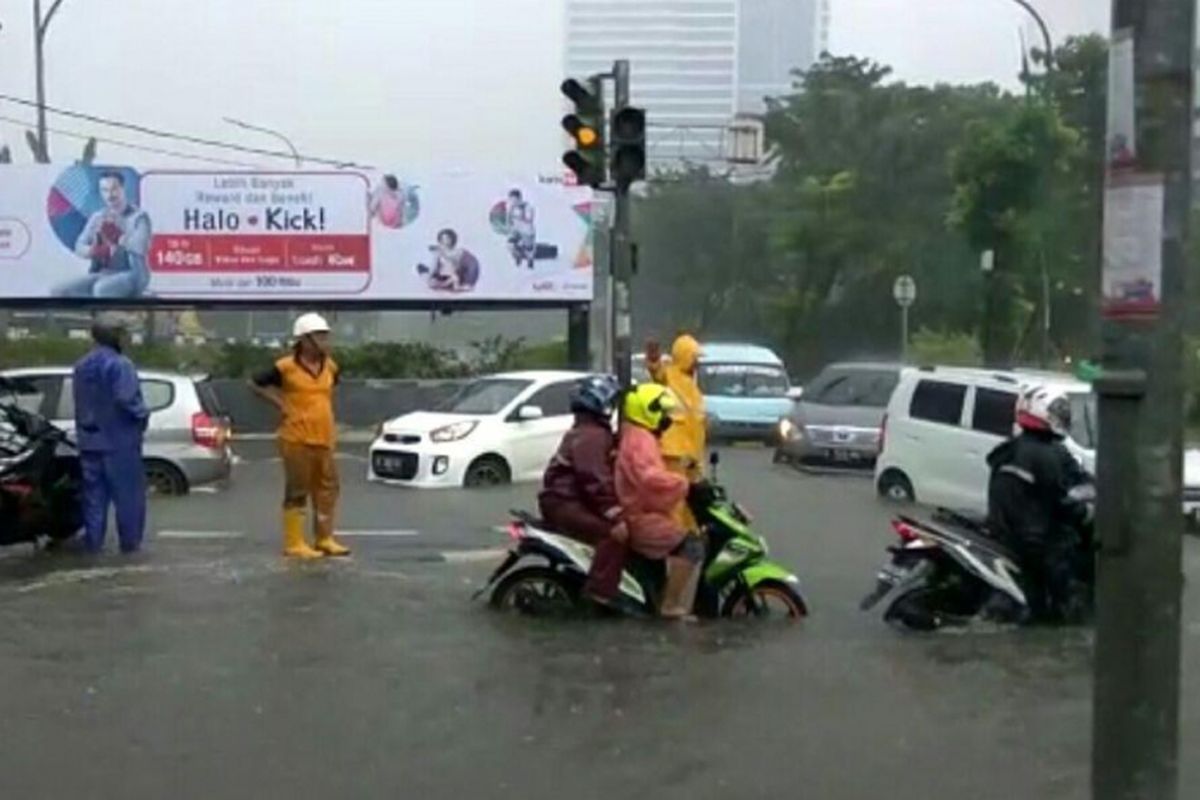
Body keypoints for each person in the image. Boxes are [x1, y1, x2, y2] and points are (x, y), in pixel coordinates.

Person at [986, 385, 1093, 623]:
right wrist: (1083, 512)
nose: (1064, 415)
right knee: (1062, 596)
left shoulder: (1013, 447)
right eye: (1059, 409)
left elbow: (1078, 481)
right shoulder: (1047, 454)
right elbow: (1061, 500)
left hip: (1006, 533)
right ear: (1044, 412)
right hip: (1035, 541)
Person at [250, 313, 351, 560]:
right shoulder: (285, 366)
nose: (325, 341)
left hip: (324, 437)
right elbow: (255, 383)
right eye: (319, 336)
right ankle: (294, 542)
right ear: (304, 340)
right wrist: (280, 403)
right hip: (296, 437)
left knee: (328, 489)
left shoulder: (330, 366)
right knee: (297, 489)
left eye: (326, 336)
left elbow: (329, 391)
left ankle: (324, 538)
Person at [615, 383, 705, 619]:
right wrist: (682, 484)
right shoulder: (640, 441)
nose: (667, 419)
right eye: (663, 413)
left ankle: (660, 600)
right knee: (693, 545)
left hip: (642, 512)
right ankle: (671, 604)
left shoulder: (640, 436)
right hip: (641, 517)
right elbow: (650, 479)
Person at [538, 374, 628, 605]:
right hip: (565, 504)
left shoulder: (589, 431)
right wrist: (614, 512)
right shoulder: (592, 435)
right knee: (615, 535)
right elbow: (594, 479)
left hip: (563, 501)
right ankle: (598, 593)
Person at [72, 315, 149, 554]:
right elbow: (127, 399)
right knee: (128, 500)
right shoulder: (120, 364)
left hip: (89, 442)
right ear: (116, 336)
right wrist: (142, 415)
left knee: (94, 501)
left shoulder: (81, 365)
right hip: (120, 443)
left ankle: (93, 547)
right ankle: (130, 550)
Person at [645, 334, 707, 533]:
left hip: (690, 453)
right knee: (675, 499)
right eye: (694, 357)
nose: (697, 362)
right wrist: (654, 358)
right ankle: (674, 537)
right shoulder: (669, 375)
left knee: (691, 498)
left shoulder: (692, 384)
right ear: (685, 356)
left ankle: (690, 534)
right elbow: (656, 372)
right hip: (673, 451)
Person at [57, 171, 152, 299]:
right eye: (105, 190)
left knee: (101, 290)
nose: (110, 195)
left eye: (114, 189)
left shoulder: (139, 217)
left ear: (123, 189)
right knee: (59, 291)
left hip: (132, 274)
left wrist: (118, 236)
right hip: (104, 273)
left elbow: (141, 247)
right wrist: (95, 250)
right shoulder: (98, 217)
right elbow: (79, 245)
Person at [505, 189, 536, 268]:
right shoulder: (511, 208)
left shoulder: (527, 207)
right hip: (516, 230)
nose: (513, 201)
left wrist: (521, 217)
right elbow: (509, 220)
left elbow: (529, 218)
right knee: (510, 244)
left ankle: (530, 260)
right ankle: (518, 256)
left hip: (527, 231)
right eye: (511, 199)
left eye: (514, 199)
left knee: (528, 248)